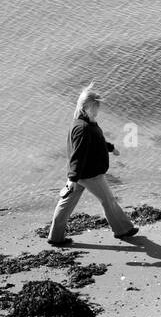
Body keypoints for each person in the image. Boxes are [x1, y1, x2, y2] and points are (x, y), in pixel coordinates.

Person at [46, 83, 138, 245]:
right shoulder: (82, 128)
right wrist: (72, 179)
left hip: (82, 174)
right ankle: (123, 230)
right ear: (87, 107)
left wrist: (111, 148)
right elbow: (78, 155)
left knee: (66, 204)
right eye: (96, 106)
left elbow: (96, 142)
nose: (98, 110)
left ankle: (55, 237)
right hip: (89, 174)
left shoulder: (85, 123)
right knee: (108, 200)